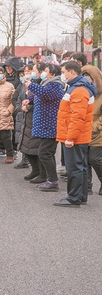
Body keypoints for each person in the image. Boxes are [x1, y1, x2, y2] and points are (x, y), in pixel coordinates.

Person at [55, 61, 97, 207]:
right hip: (80, 136)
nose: (63, 74)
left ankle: (73, 197)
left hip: (75, 136)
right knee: (81, 166)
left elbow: (77, 117)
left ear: (72, 72)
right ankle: (81, 196)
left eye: (64, 71)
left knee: (74, 167)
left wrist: (70, 138)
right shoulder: (79, 87)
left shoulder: (79, 90)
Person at [24, 63, 64, 190]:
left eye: (45, 71)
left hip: (50, 125)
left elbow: (46, 94)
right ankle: (49, 178)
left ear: (53, 74)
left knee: (44, 153)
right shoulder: (47, 84)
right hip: (44, 125)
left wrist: (31, 85)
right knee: (47, 153)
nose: (43, 73)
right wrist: (29, 99)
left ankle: (53, 181)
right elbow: (40, 95)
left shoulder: (56, 85)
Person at [83, 65, 102, 194]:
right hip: (83, 132)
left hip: (97, 133)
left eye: (89, 78)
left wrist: (94, 127)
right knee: (84, 160)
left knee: (94, 159)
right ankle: (87, 186)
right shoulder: (84, 93)